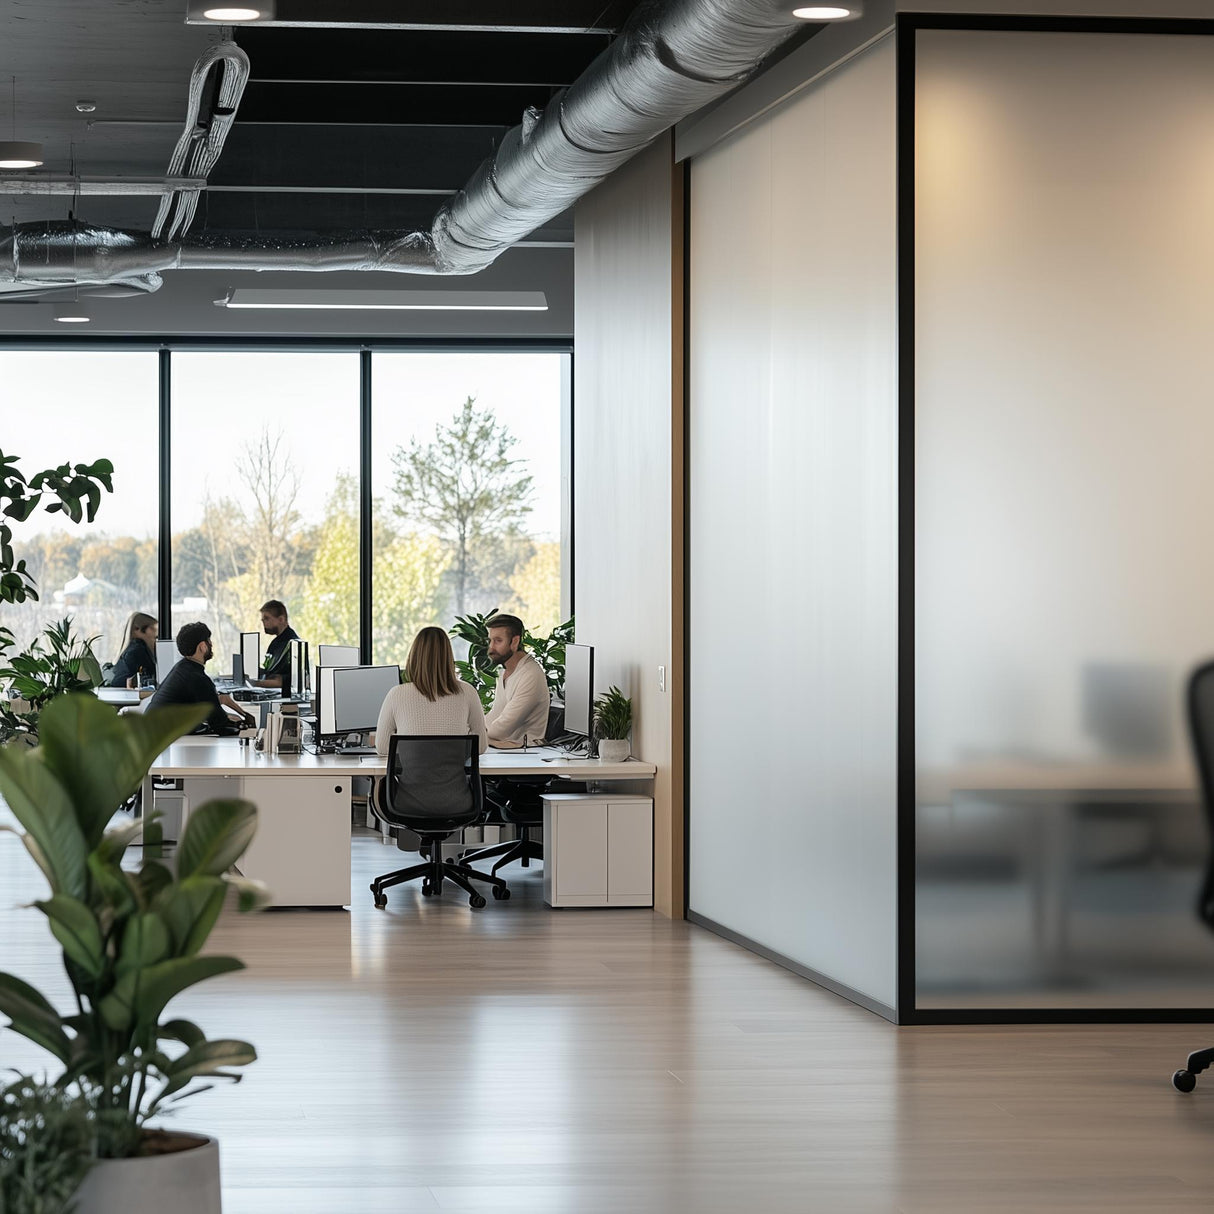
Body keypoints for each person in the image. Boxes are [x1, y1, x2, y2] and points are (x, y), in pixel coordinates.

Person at [375, 626, 487, 757]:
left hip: (412, 771)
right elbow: (480, 746)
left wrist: (413, 750)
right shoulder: (468, 692)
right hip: (454, 770)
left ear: (414, 658)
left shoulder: (396, 694)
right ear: (449, 657)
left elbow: (382, 747)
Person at [147, 621, 255, 735]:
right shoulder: (197, 678)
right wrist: (243, 725)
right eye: (209, 641)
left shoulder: (182, 668)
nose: (211, 644)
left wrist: (230, 716)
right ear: (202, 647)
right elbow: (220, 726)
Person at [483, 613, 550, 748]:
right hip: (502, 751)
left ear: (514, 642)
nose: (491, 648)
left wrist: (475, 734)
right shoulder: (505, 672)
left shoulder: (531, 675)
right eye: (490, 641)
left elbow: (500, 730)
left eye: (498, 641)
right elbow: (494, 716)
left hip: (526, 754)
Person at [252, 599, 299, 691]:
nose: (263, 622)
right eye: (263, 619)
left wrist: (252, 683)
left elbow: (285, 681)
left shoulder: (294, 645)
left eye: (267, 618)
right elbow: (269, 672)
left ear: (281, 619)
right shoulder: (275, 643)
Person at [109, 611, 158, 687]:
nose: (156, 632)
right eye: (152, 628)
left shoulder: (132, 649)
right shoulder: (137, 651)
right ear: (137, 629)